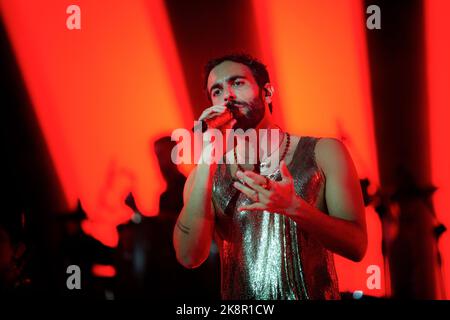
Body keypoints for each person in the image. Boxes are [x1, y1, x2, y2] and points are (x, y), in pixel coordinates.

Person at [173, 53, 367, 300]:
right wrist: (206, 160)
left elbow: (356, 246)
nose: (228, 95)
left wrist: (294, 207)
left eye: (238, 83)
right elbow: (189, 257)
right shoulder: (206, 175)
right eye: (217, 91)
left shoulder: (325, 152)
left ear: (267, 92)